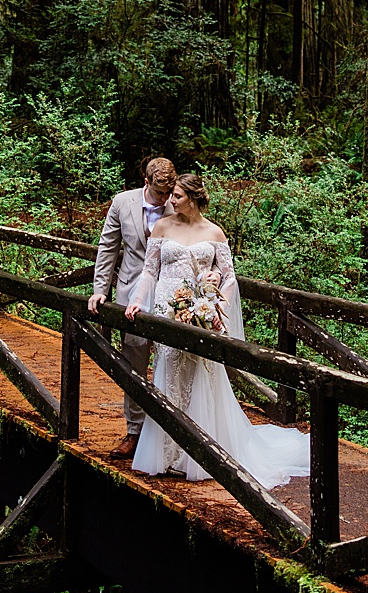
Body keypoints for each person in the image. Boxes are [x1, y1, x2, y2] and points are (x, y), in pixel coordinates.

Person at [123, 175, 312, 489]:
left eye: (178, 196)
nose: (171, 200)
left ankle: (198, 454)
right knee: (169, 374)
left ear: (193, 199)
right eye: (171, 195)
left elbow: (228, 278)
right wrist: (138, 301)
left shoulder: (214, 232)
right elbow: (149, 271)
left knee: (199, 376)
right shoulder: (163, 227)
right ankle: (167, 452)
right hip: (166, 313)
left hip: (199, 313)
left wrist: (213, 306)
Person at [91, 156, 177, 458]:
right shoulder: (122, 203)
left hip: (170, 294)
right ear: (146, 182)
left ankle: (173, 432)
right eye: (160, 193)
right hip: (131, 292)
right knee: (134, 363)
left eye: (169, 193)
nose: (165, 199)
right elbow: (108, 247)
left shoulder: (179, 203)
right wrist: (100, 290)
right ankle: (135, 431)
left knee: (172, 363)